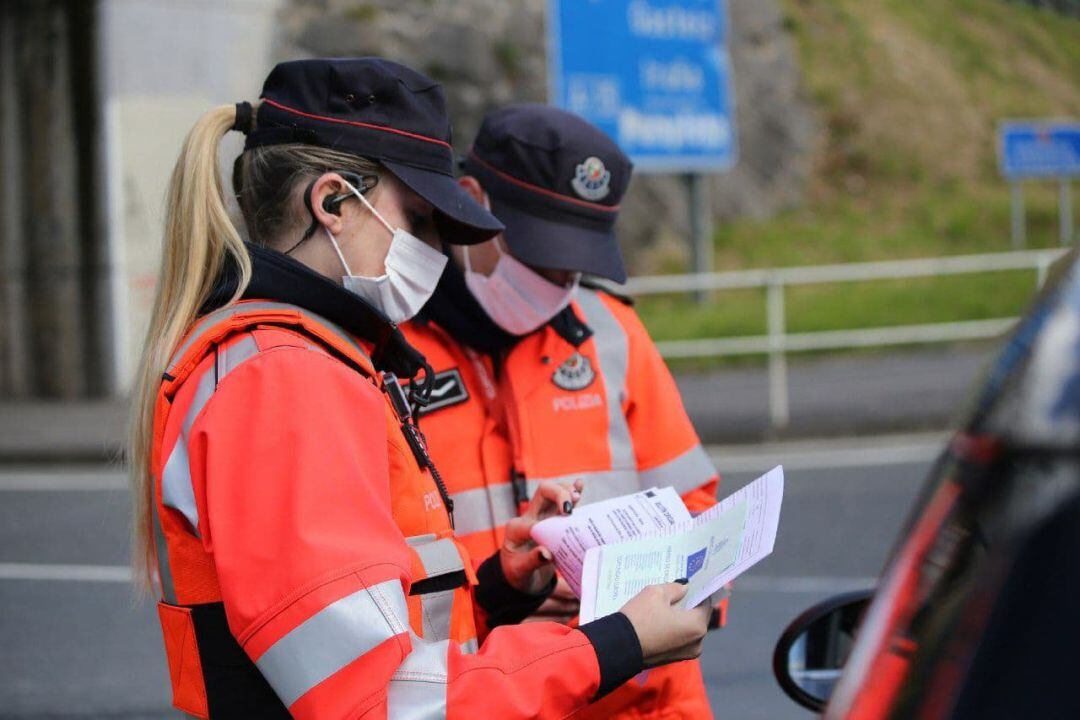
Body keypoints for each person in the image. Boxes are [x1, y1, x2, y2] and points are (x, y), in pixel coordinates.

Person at [128, 59, 711, 719]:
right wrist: (612, 644)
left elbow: (362, 632)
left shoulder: (292, 358)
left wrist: (496, 588)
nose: (436, 252)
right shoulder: (282, 377)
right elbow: (379, 700)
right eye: (421, 221)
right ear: (333, 205)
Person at [401, 104, 725, 719]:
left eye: (576, 262)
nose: (559, 280)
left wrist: (681, 596)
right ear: (471, 201)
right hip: (485, 699)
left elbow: (699, 512)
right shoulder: (385, 354)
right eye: (543, 256)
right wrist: (504, 594)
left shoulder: (613, 332)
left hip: (644, 704)